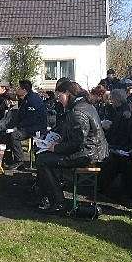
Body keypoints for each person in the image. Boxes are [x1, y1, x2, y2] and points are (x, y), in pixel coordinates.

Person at [36, 80, 108, 213]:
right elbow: (77, 136)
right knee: (43, 156)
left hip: (87, 155)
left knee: (43, 160)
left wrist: (55, 148)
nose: (58, 100)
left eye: (60, 97)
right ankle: (46, 194)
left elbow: (77, 143)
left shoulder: (77, 111)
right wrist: (59, 140)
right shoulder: (84, 105)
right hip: (92, 151)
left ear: (68, 93)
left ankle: (58, 202)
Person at [0, 80, 46, 170]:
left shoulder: (32, 100)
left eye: (19, 88)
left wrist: (17, 128)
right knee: (6, 134)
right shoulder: (25, 99)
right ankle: (9, 158)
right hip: (28, 125)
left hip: (36, 127)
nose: (17, 89)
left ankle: (19, 161)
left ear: (24, 90)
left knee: (15, 136)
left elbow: (31, 119)